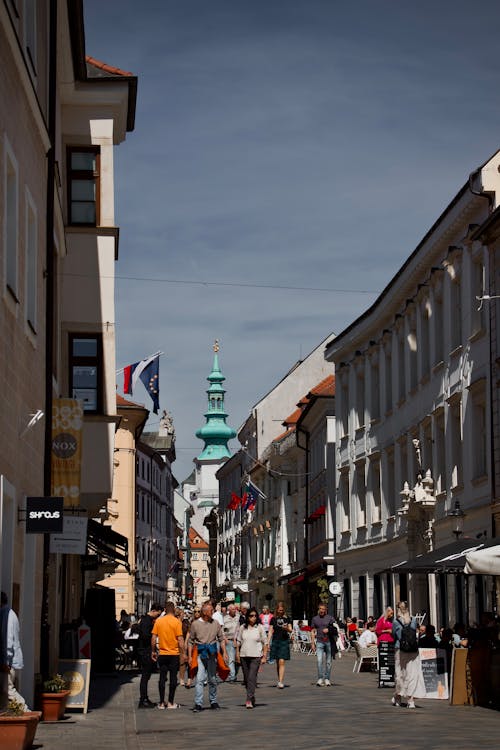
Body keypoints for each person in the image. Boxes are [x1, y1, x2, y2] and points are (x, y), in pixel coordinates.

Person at [188, 601, 228, 712]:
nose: (213, 612)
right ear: (205, 612)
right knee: (199, 679)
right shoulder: (195, 624)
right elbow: (191, 641)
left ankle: (213, 701)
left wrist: (224, 652)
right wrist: (190, 656)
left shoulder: (215, 623)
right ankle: (198, 703)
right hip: (200, 653)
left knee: (212, 679)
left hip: (212, 653)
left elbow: (221, 638)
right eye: (211, 611)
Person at [392, 601, 425, 709]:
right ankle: (410, 700)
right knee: (412, 674)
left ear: (398, 609)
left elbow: (395, 635)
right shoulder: (414, 620)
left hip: (400, 649)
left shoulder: (396, 622)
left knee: (400, 674)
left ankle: (398, 696)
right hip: (413, 650)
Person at [151, 601, 184, 710]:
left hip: (163, 653)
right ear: (174, 610)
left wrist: (153, 651)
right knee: (173, 678)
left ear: (165, 610)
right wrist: (183, 653)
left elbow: (153, 638)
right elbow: (180, 639)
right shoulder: (177, 622)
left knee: (162, 677)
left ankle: (161, 703)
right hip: (174, 654)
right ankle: (170, 702)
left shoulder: (159, 621)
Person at [0, 592, 28, 711]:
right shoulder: (8, 613)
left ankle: (27, 712)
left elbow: (8, 639)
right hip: (7, 661)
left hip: (7, 662)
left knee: (8, 690)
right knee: (4, 695)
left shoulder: (6, 614)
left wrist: (6, 661)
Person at [236, 607, 267, 708]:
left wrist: (264, 656)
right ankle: (252, 695)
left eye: (255, 616)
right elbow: (238, 641)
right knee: (246, 679)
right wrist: (237, 653)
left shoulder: (260, 627)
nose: (253, 618)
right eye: (251, 616)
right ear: (247, 617)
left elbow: (265, 642)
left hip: (256, 656)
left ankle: (248, 699)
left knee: (251, 677)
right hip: (244, 655)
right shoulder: (242, 627)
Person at [137, 602, 162, 708]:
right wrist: (154, 636)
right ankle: (143, 700)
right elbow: (146, 636)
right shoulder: (147, 621)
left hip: (144, 650)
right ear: (154, 611)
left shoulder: (146, 620)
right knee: (145, 676)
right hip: (145, 651)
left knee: (146, 676)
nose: (158, 616)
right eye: (158, 614)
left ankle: (145, 698)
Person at [311, 603, 337, 686]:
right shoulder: (315, 619)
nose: (322, 610)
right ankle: (320, 678)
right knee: (319, 661)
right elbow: (312, 631)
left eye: (323, 609)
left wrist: (328, 630)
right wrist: (312, 643)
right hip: (319, 641)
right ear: (318, 609)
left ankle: (327, 678)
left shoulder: (330, 618)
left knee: (328, 662)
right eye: (320, 609)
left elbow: (335, 628)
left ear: (326, 610)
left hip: (329, 642)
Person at [268, 601, 292, 688]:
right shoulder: (273, 619)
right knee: (278, 662)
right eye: (279, 610)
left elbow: (290, 629)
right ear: (277, 610)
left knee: (282, 661)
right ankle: (279, 679)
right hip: (275, 641)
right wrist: (267, 642)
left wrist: (286, 628)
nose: (281, 612)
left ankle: (281, 681)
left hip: (284, 641)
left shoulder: (287, 618)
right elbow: (270, 631)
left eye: (282, 610)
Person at [223, 604, 239, 683]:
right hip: (229, 640)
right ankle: (232, 676)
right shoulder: (225, 619)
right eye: (232, 609)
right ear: (229, 610)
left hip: (238, 640)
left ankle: (234, 674)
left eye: (235, 609)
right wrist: (225, 639)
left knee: (237, 660)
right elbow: (221, 630)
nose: (234, 610)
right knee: (231, 659)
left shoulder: (238, 618)